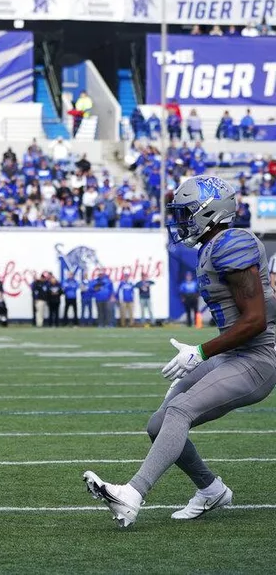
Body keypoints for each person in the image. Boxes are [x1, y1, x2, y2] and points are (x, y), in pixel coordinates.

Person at [84, 175, 276, 527]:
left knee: (180, 409)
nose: (182, 220)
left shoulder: (233, 243)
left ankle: (132, 494)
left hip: (256, 358)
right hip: (233, 354)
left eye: (187, 212)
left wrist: (200, 352)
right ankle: (211, 489)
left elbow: (254, 322)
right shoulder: (213, 246)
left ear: (210, 212)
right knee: (159, 423)